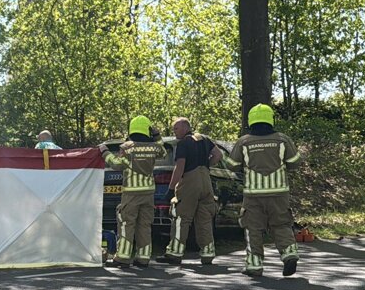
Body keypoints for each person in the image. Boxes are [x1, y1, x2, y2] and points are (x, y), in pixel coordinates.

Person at [223, 104, 303, 278]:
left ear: (251, 121)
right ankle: (289, 254)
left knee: (253, 228)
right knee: (281, 224)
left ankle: (254, 265)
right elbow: (296, 162)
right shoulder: (282, 139)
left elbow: (231, 165)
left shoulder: (244, 142)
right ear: (271, 119)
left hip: (253, 195)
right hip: (279, 193)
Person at [99, 116, 163, 268]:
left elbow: (116, 164)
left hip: (131, 193)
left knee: (127, 223)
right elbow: (163, 153)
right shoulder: (154, 148)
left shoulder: (127, 147)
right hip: (148, 193)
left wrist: (104, 152)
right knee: (145, 225)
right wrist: (157, 136)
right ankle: (143, 257)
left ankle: (123, 257)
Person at [158, 117, 222, 265]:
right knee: (205, 218)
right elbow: (218, 155)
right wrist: (206, 165)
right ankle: (208, 253)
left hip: (189, 182)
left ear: (186, 128)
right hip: (206, 181)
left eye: (176, 128)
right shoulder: (205, 139)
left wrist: (171, 189)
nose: (174, 132)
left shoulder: (183, 143)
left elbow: (179, 167)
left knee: (181, 217)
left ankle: (175, 253)